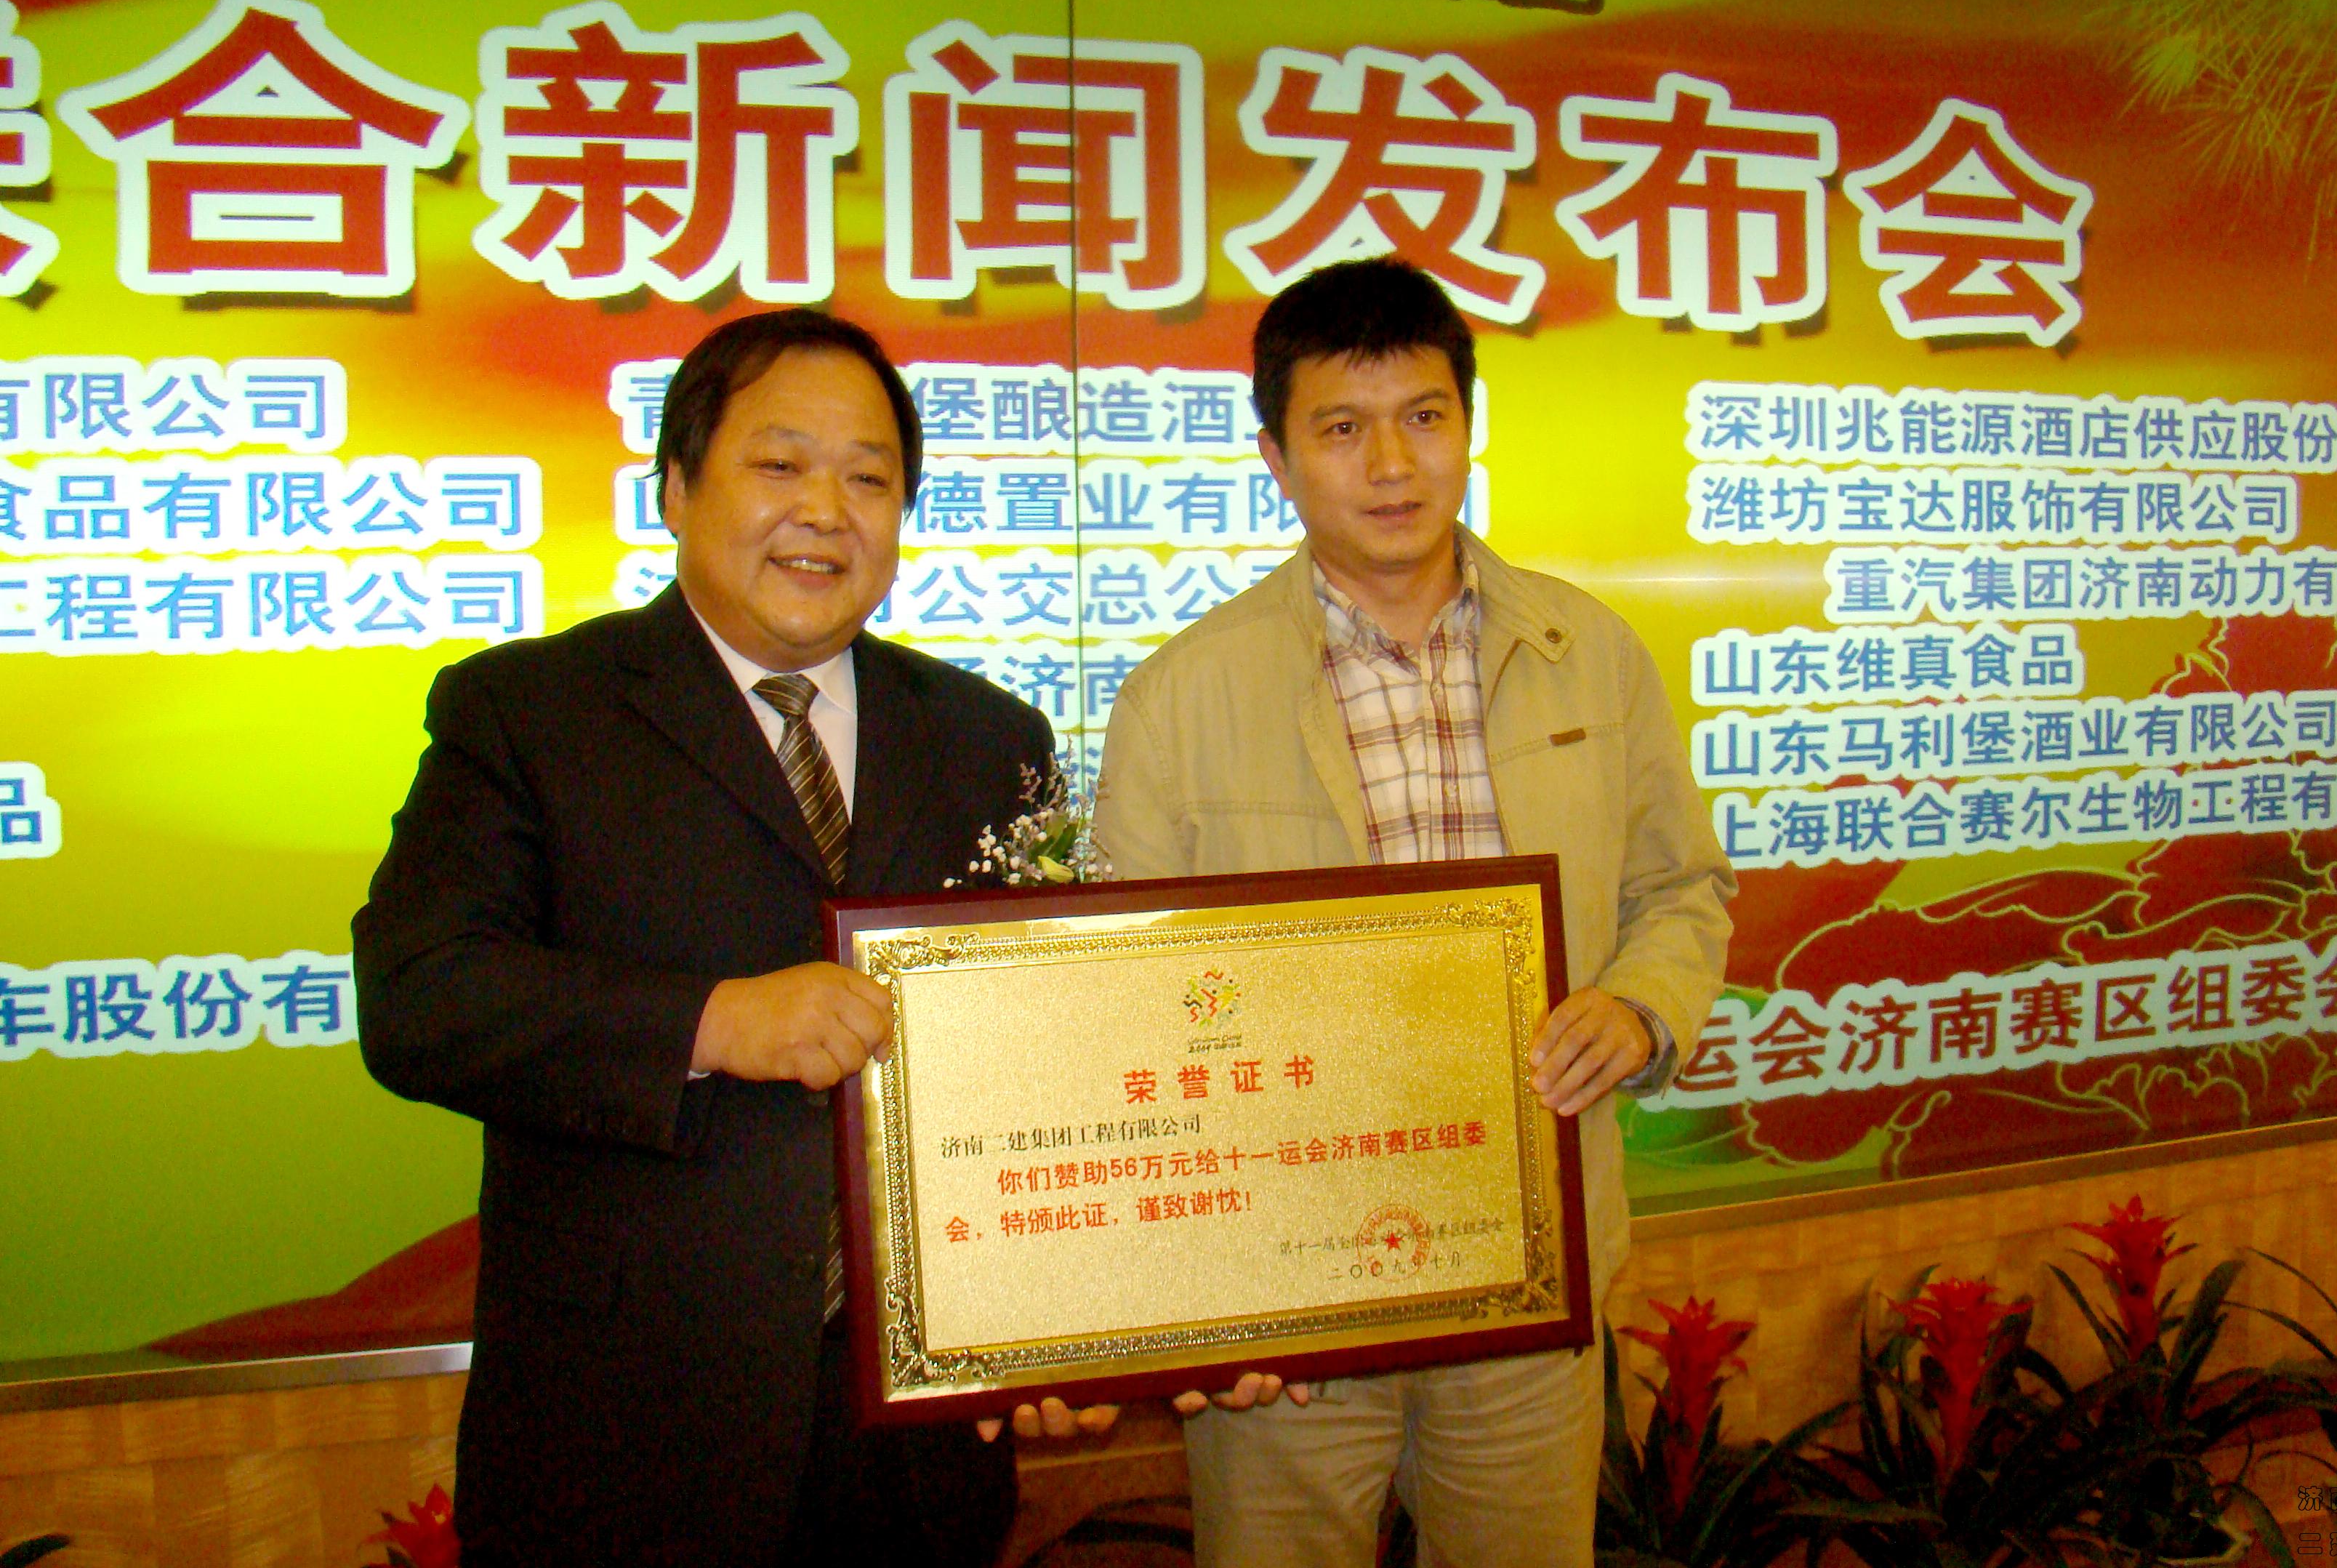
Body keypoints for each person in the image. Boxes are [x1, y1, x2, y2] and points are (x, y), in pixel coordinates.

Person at [354, 307, 1092, 1568]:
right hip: (629, 1427)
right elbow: (420, 994)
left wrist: (1063, 1311)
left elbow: (1045, 1052)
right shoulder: (530, 711)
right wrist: (712, 1022)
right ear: (676, 488)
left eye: (869, 479)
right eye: (780, 464)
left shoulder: (988, 738)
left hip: (919, 1437)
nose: (826, 511)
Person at [1094, 257, 1737, 1568]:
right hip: (1285, 1292)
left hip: (1531, 1260)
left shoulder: (1591, 654)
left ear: (1468, 426)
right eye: (1342, 427)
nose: (1392, 463)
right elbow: (1125, 1003)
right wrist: (1188, 1276)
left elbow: (1683, 887)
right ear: (1276, 456)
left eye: (1424, 416)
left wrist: (1639, 1006)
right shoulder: (1181, 696)